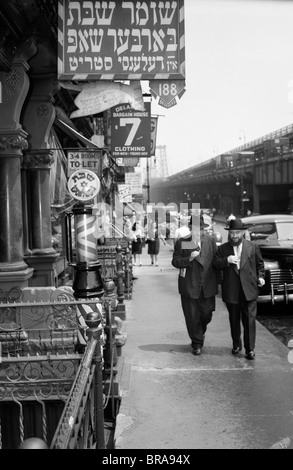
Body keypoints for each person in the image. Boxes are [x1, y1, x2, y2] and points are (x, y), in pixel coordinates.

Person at [213, 218, 265, 360]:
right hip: (232, 291)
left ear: (243, 232)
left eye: (237, 233)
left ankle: (250, 349)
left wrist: (261, 277)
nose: (234, 236)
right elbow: (215, 264)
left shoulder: (252, 247)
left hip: (249, 290)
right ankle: (236, 344)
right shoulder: (223, 249)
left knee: (249, 321)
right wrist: (226, 260)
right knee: (234, 320)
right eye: (232, 233)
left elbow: (260, 264)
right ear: (229, 233)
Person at [171, 214, 219, 355]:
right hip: (189, 286)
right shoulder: (182, 242)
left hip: (207, 285)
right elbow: (175, 261)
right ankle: (196, 343)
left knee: (206, 314)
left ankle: (199, 332)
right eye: (194, 229)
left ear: (204, 230)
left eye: (200, 229)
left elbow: (215, 260)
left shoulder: (210, 240)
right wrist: (188, 259)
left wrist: (221, 282)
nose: (198, 232)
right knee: (192, 317)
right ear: (190, 228)